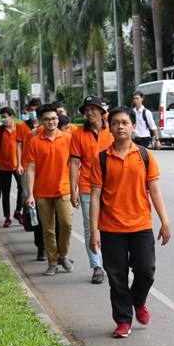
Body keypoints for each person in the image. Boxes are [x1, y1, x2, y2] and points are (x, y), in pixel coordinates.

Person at [89, 106, 171, 338]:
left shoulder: (144, 155)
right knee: (117, 278)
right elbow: (95, 196)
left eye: (125, 123)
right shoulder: (101, 159)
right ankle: (123, 321)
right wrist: (94, 231)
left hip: (140, 225)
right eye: (115, 123)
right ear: (110, 128)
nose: (120, 127)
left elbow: (155, 190)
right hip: (111, 228)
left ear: (134, 127)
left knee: (146, 271)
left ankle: (138, 301)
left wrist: (164, 221)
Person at [26, 104, 74, 276]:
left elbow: (75, 166)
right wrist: (30, 194)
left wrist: (74, 189)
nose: (51, 122)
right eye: (47, 119)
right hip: (42, 192)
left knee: (67, 224)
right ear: (41, 121)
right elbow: (31, 169)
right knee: (48, 229)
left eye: (54, 119)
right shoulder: (34, 142)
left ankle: (64, 255)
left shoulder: (68, 139)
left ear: (58, 119)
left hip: (64, 189)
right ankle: (52, 261)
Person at [70, 96, 114, 284]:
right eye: (87, 110)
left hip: (112, 187)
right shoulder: (78, 134)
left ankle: (112, 262)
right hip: (88, 187)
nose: (90, 113)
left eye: (93, 109)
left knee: (112, 226)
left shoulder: (112, 130)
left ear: (101, 111)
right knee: (91, 227)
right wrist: (73, 190)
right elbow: (74, 163)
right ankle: (97, 266)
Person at [16, 98, 47, 261]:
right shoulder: (29, 131)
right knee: (35, 208)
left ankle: (58, 251)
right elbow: (20, 147)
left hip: (52, 179)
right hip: (32, 171)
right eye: (32, 110)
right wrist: (19, 164)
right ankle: (41, 247)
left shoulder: (60, 134)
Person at [0, 107, 24, 227]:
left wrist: (22, 164)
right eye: (2, 117)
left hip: (18, 165)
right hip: (4, 166)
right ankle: (7, 217)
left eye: (5, 117)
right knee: (6, 192)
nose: (3, 119)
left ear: (12, 116)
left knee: (22, 188)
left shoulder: (20, 128)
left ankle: (18, 211)